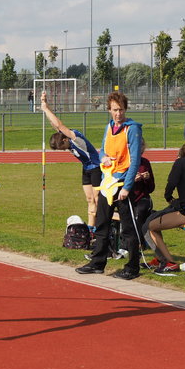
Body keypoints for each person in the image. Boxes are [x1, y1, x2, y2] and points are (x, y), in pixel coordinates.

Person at [75, 91, 143, 280]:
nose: (118, 114)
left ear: (125, 109)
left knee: (128, 229)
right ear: (109, 110)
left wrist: (127, 187)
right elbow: (103, 150)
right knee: (102, 223)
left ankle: (132, 267)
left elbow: (135, 160)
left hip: (123, 184)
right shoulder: (109, 127)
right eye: (114, 110)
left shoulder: (133, 129)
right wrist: (103, 157)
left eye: (121, 110)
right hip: (108, 183)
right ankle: (97, 262)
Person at [41, 91, 102, 229]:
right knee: (89, 199)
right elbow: (55, 125)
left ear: (65, 139)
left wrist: (45, 108)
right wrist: (46, 106)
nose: (63, 150)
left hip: (96, 168)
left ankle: (101, 226)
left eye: (62, 147)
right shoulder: (64, 139)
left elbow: (60, 125)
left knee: (97, 199)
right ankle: (91, 228)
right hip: (86, 169)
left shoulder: (76, 138)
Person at [142, 144, 185, 273]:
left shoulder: (180, 163)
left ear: (179, 155)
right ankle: (160, 258)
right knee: (155, 220)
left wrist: (168, 196)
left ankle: (169, 262)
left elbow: (172, 181)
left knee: (149, 226)